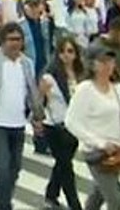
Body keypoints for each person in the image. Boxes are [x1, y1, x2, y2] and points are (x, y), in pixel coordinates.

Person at [0, 22, 44, 210]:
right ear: (2, 41)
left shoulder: (27, 63)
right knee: (1, 169)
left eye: (18, 39)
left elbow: (32, 92)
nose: (15, 43)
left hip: (18, 124)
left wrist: (37, 117)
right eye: (11, 39)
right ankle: (4, 206)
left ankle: (1, 203)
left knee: (14, 168)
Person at [65, 44, 120, 210]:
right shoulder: (85, 90)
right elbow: (71, 122)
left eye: (110, 61)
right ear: (92, 64)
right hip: (97, 153)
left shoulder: (117, 88)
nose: (108, 65)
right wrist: (99, 143)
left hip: (117, 152)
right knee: (114, 200)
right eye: (103, 61)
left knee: (98, 195)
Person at [41, 38, 84, 210]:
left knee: (62, 163)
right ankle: (75, 205)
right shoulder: (49, 75)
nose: (66, 55)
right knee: (66, 166)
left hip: (75, 126)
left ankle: (51, 194)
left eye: (70, 51)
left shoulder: (81, 75)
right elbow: (39, 101)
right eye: (63, 51)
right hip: (55, 126)